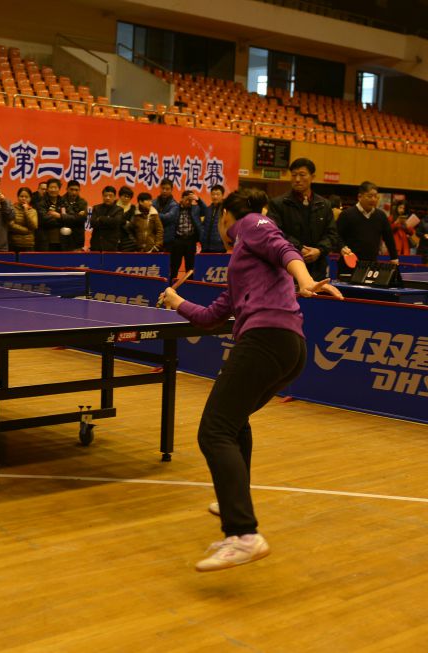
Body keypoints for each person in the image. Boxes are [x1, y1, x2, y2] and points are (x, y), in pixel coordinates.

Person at [158, 188, 342, 572]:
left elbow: (284, 249)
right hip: (287, 347)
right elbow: (211, 316)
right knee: (233, 423)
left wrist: (306, 280)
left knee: (214, 431)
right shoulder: (244, 265)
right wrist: (177, 302)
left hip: (265, 340)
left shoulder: (251, 224)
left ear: (226, 216)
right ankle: (233, 502)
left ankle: (243, 534)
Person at [266, 158, 338, 281]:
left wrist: (319, 250)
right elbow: (274, 233)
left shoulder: (324, 204)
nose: (297, 179)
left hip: (317, 269)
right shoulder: (278, 203)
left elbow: (332, 235)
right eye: (294, 175)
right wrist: (299, 248)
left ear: (312, 177)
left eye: (302, 175)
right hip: (287, 268)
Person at [337, 181, 398, 277]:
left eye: (375, 196)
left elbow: (389, 237)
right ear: (359, 196)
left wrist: (394, 257)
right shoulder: (347, 214)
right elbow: (336, 235)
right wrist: (341, 247)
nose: (373, 199)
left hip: (371, 266)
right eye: (369, 196)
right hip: (348, 265)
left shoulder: (381, 216)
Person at [169, 190, 205, 281]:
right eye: (187, 199)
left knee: (190, 267)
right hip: (177, 241)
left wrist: (198, 199)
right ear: (182, 199)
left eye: (190, 200)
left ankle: (189, 286)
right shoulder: (175, 208)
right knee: (174, 266)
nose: (189, 202)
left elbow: (205, 210)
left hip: (190, 241)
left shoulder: (195, 209)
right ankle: (171, 285)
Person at [89, 185, 125, 252]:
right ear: (102, 196)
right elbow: (93, 223)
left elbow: (116, 222)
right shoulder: (96, 208)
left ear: (114, 197)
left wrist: (101, 218)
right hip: (96, 244)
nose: (107, 198)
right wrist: (109, 220)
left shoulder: (119, 210)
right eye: (105, 195)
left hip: (111, 245)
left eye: (110, 196)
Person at [35, 178, 65, 251]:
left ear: (59, 189)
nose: (53, 190)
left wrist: (59, 216)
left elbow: (70, 218)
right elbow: (44, 220)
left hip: (62, 241)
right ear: (47, 189)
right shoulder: (40, 203)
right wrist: (62, 218)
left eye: (55, 187)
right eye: (51, 187)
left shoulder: (64, 202)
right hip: (45, 241)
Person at [60, 180, 89, 250]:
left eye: (76, 190)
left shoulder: (83, 202)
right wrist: (76, 215)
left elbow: (82, 219)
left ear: (79, 190)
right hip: (63, 237)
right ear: (67, 189)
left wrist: (65, 216)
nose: (74, 192)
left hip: (78, 237)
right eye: (71, 189)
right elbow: (60, 219)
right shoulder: (60, 200)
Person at [9, 186, 38, 253]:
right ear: (18, 197)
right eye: (21, 196)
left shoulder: (33, 211)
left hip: (28, 245)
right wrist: (27, 231)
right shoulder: (12, 208)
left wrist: (26, 211)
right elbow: (11, 225)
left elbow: (34, 226)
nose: (24, 198)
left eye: (26, 197)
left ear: (30, 198)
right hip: (14, 243)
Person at [153, 178, 180, 251]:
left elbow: (168, 218)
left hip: (168, 240)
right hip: (154, 238)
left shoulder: (175, 205)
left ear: (171, 190)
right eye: (163, 188)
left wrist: (155, 215)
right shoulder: (153, 202)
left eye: (167, 189)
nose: (164, 191)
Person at [200, 184, 227, 254]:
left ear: (222, 195)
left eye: (218, 194)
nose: (215, 197)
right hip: (205, 246)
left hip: (219, 247)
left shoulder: (226, 210)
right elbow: (203, 225)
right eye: (213, 194)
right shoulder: (208, 209)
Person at [115, 186, 137, 252]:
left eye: (128, 197)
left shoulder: (133, 208)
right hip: (113, 236)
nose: (126, 198)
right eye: (124, 196)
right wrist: (124, 221)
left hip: (127, 237)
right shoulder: (113, 204)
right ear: (120, 195)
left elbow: (131, 223)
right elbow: (113, 220)